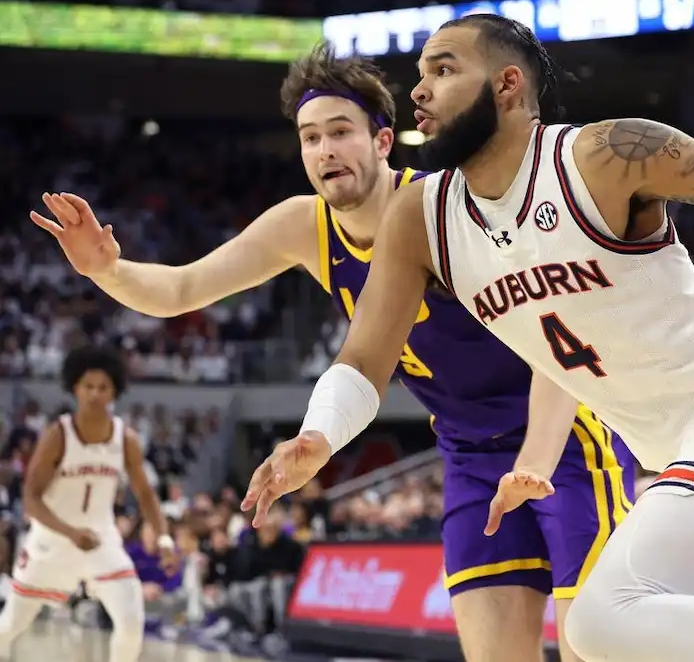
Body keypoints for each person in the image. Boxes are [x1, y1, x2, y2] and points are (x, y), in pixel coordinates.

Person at [243, 14, 694, 662]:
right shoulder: (421, 218)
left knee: (602, 617)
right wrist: (318, 435)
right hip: (687, 450)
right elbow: (364, 360)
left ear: (507, 85)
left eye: (442, 69)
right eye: (419, 73)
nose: (418, 89)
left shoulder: (601, 156)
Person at [29, 42, 633, 662]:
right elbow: (183, 288)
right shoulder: (304, 225)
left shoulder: (450, 203)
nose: (324, 151)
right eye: (310, 138)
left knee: (599, 646)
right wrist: (107, 270)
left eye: (340, 132)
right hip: (469, 453)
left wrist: (538, 451)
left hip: (566, 435)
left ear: (382, 142)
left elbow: (555, 336)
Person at [0, 346, 176, 662]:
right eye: (88, 386)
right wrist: (70, 532)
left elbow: (147, 495)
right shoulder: (58, 434)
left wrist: (163, 539)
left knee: (131, 621)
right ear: (75, 388)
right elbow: (31, 497)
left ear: (115, 392)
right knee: (11, 625)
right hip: (51, 541)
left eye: (103, 387)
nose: (95, 394)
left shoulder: (126, 439)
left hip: (100, 541)